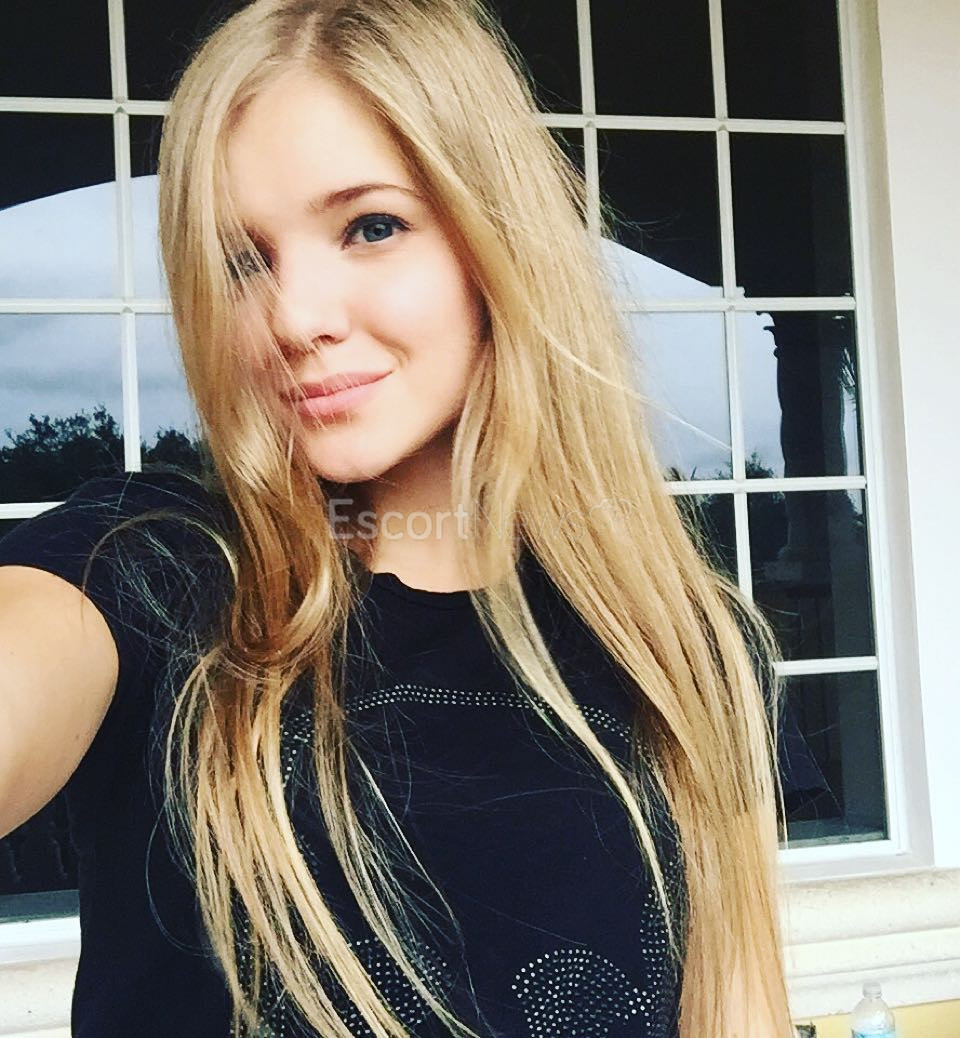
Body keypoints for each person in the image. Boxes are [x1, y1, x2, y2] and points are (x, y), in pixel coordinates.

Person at [0, 1, 795, 1035]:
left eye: (371, 227)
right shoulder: (153, 573)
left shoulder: (690, 650)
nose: (294, 318)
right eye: (242, 260)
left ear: (496, 239)